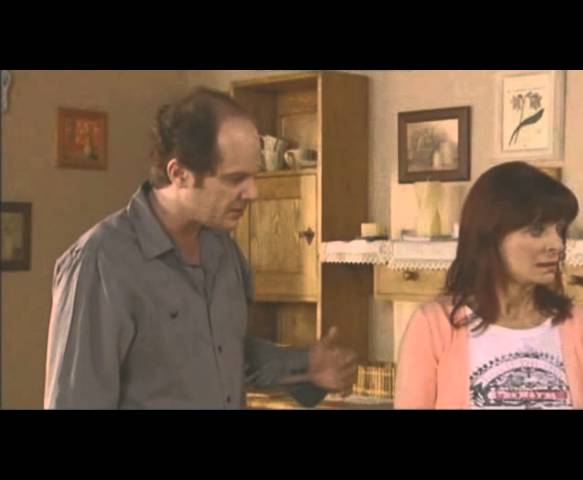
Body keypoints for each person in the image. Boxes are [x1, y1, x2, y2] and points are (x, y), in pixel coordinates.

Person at [44, 87, 357, 409]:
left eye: (254, 176)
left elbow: (226, 354)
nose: (253, 193)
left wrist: (307, 366)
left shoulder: (224, 251)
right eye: (235, 179)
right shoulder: (100, 263)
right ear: (179, 174)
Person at [394, 162, 583, 409]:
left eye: (559, 230)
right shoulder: (433, 326)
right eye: (537, 230)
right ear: (490, 236)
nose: (557, 244)